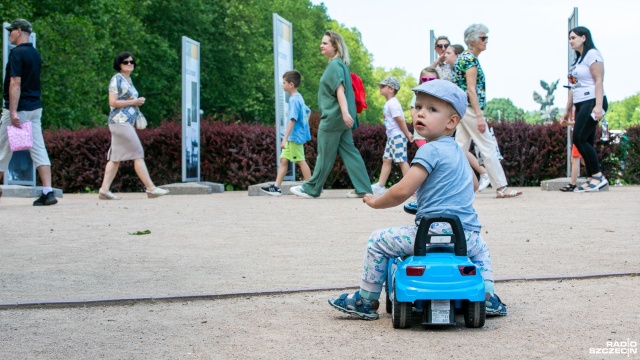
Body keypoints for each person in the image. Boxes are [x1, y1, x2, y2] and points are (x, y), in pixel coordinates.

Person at [327, 80, 507, 320]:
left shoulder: (428, 151)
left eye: (432, 109)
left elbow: (402, 191)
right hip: (466, 238)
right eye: (418, 106)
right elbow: (473, 186)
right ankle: (487, 296)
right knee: (482, 250)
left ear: (451, 122)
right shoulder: (460, 153)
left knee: (377, 241)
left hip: (430, 237)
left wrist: (377, 201)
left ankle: (366, 300)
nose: (421, 113)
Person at [290, 31, 372, 199]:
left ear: (335, 46)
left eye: (325, 43)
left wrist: (344, 113)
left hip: (334, 118)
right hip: (341, 120)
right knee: (350, 152)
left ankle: (312, 189)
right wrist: (346, 115)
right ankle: (364, 189)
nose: (321, 45)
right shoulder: (341, 65)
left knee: (325, 153)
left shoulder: (335, 65)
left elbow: (339, 90)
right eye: (322, 42)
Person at [452, 24, 522, 198]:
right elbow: (471, 89)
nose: (486, 41)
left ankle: (449, 187)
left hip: (462, 108)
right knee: (488, 145)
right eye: (483, 38)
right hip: (469, 109)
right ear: (472, 40)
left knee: (460, 148)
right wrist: (479, 115)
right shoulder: (470, 60)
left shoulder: (464, 58)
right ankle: (500, 187)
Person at [0, 19, 57, 206]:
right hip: (34, 108)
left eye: (11, 31)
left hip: (19, 110)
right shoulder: (34, 53)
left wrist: (13, 111)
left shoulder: (16, 53)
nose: (9, 35)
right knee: (38, 148)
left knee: (2, 149)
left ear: (19, 31)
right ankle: (48, 192)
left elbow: (15, 82)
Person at [98, 52, 169, 200]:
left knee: (115, 158)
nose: (129, 64)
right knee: (137, 152)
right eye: (125, 62)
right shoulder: (116, 79)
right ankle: (150, 188)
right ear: (119, 64)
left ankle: (104, 190)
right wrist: (133, 102)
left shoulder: (128, 80)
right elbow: (113, 102)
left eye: (131, 62)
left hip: (125, 122)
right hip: (120, 122)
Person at [561, 26, 608, 192]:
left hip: (592, 101)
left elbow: (599, 80)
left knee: (579, 138)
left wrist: (598, 106)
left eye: (573, 38)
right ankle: (591, 178)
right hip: (580, 103)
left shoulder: (592, 55)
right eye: (570, 38)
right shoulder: (578, 60)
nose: (571, 41)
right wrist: (567, 110)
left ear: (584, 37)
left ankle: (598, 176)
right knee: (585, 141)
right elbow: (574, 88)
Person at [444, 44, 491, 192]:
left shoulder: (464, 63)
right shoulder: (450, 67)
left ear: (457, 56)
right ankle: (457, 182)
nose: (444, 54)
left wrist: (479, 116)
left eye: (448, 51)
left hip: (465, 108)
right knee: (459, 147)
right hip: (459, 108)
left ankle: (497, 182)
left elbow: (471, 90)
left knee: (483, 145)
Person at [261, 70, 312, 196]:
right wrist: (304, 126)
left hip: (293, 138)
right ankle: (276, 188)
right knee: (283, 160)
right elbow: (308, 111)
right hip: (294, 136)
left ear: (291, 85)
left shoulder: (294, 100)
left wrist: (285, 138)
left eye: (284, 83)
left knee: (300, 161)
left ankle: (311, 187)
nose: (282, 85)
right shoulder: (299, 97)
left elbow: (292, 120)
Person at [370, 77, 413, 195]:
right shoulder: (389, 103)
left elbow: (399, 120)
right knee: (386, 160)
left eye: (383, 86)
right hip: (392, 137)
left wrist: (407, 133)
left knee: (401, 161)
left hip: (397, 136)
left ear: (391, 89)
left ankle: (412, 187)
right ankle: (380, 186)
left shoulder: (393, 103)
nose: (380, 88)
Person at [410, 67, 438, 148]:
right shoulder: (417, 95)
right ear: (420, 81)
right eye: (424, 79)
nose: (428, 82)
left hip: (435, 133)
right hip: (420, 133)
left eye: (431, 79)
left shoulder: (438, 97)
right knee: (425, 152)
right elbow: (413, 111)